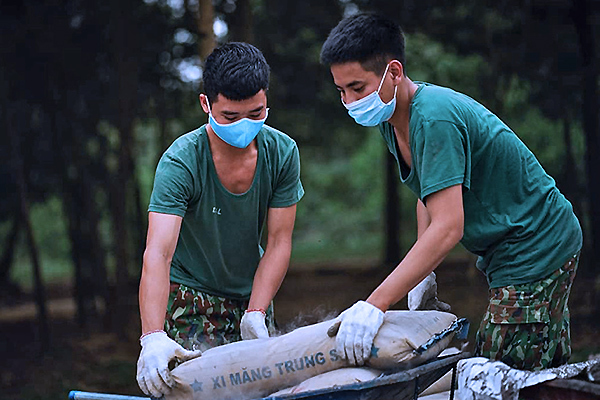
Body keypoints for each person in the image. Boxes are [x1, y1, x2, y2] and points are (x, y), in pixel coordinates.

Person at [320, 13, 582, 371]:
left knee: (497, 372)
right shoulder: (392, 118)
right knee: (534, 370)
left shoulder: (433, 118)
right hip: (511, 247)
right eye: (341, 91)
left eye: (358, 88)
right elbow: (428, 192)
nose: (349, 101)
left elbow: (449, 226)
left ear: (394, 72)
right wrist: (422, 271)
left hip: (535, 244)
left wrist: (374, 304)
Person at [136, 42, 304, 398]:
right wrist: (152, 337)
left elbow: (278, 241)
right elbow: (158, 254)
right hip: (190, 299)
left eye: (256, 113)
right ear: (206, 104)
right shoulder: (181, 162)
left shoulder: (282, 153)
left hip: (251, 294)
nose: (244, 126)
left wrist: (257, 311)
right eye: (230, 116)